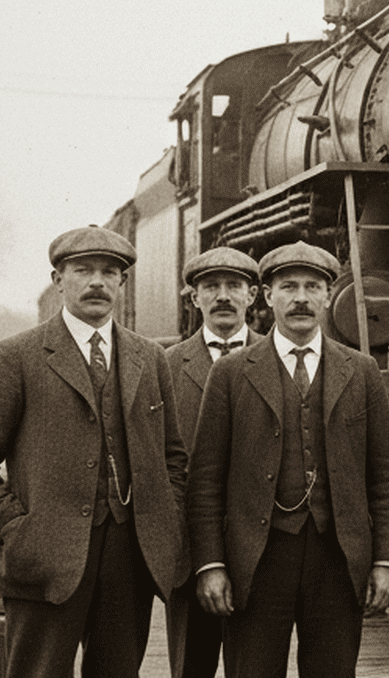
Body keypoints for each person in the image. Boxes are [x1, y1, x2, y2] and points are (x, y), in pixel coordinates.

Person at [0, 225, 188, 678]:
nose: (97, 281)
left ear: (122, 283)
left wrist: (164, 524)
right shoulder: (17, 356)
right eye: (83, 270)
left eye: (109, 272)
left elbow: (173, 457)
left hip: (130, 558)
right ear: (59, 280)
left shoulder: (150, 358)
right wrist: (17, 530)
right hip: (43, 560)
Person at [186, 241, 389, 678]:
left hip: (337, 559)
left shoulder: (360, 371)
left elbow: (384, 478)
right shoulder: (230, 373)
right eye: (288, 287)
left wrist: (384, 560)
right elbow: (206, 480)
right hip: (258, 558)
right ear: (267, 296)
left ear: (328, 295)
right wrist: (211, 564)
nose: (300, 297)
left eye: (312, 286)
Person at [164, 246, 261, 678]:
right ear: (194, 299)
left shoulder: (278, 359)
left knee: (256, 665)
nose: (223, 296)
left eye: (233, 286)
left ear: (253, 296)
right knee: (192, 666)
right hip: (188, 552)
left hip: (259, 547)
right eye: (211, 287)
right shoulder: (165, 366)